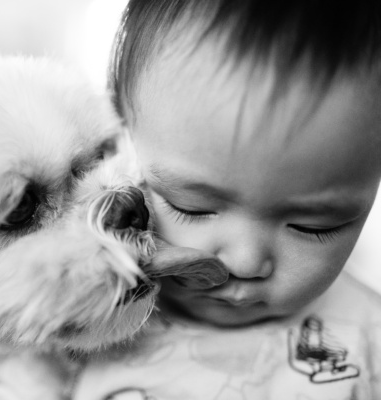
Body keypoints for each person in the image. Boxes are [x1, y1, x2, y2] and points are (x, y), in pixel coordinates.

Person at [73, 1, 381, 399]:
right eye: (190, 206)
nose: (245, 262)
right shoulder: (77, 321)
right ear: (118, 143)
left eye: (314, 226)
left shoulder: (369, 342)